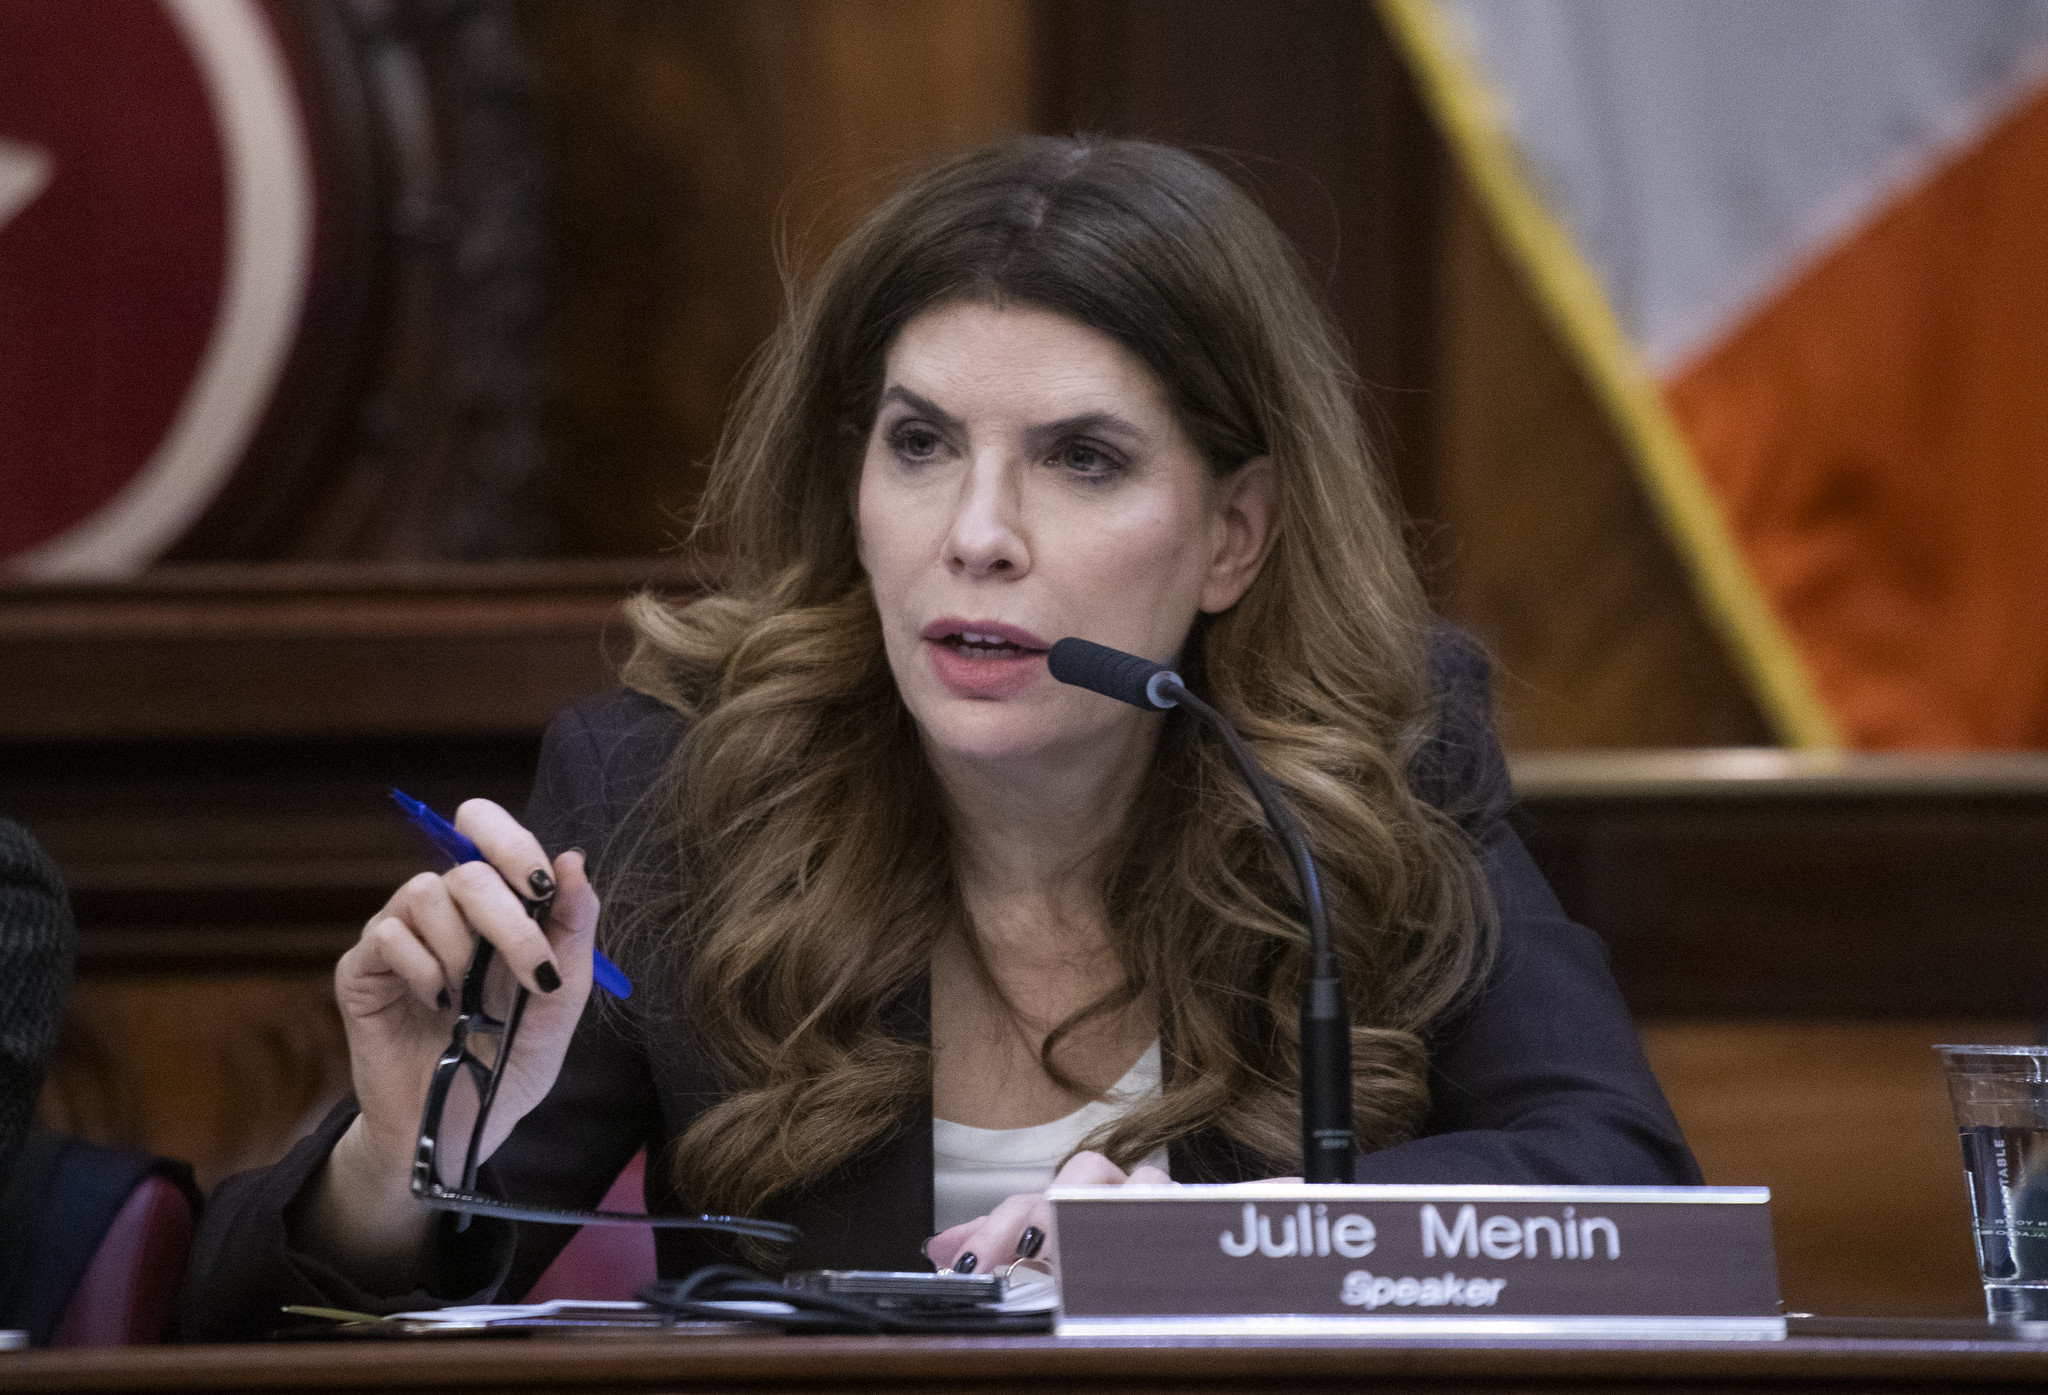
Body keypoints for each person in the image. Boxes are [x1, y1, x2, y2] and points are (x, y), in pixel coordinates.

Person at [180, 136, 1697, 1339]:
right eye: (920, 445)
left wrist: (1223, 1241)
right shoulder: (682, 795)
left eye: (1081, 459)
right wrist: (398, 1160)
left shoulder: (1372, 772)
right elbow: (251, 1326)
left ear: (1234, 535)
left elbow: (1627, 1189)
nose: (976, 535)